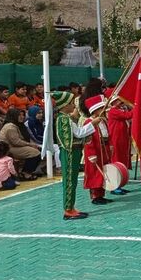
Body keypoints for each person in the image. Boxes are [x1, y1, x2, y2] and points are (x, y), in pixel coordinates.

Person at [53, 91, 95, 219]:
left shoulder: (66, 118)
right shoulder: (64, 119)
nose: (73, 105)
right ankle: (68, 209)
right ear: (65, 105)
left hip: (73, 152)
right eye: (71, 103)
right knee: (70, 181)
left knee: (73, 181)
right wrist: (93, 124)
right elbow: (78, 133)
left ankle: (71, 207)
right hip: (69, 153)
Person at [81, 95, 113, 205]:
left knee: (103, 172)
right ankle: (95, 196)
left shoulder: (103, 120)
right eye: (101, 108)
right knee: (95, 173)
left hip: (103, 149)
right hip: (95, 151)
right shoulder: (89, 122)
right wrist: (91, 154)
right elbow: (88, 140)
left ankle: (101, 194)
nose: (103, 110)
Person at [0, 108, 41, 180]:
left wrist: (31, 144)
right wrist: (30, 145)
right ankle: (25, 173)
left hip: (14, 147)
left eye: (23, 115)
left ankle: (27, 172)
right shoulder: (10, 126)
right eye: (19, 115)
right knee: (35, 153)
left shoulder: (18, 125)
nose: (22, 117)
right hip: (8, 149)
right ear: (14, 116)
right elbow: (16, 142)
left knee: (35, 150)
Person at [106, 92, 133, 195]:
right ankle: (115, 186)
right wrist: (134, 106)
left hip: (122, 138)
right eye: (119, 101)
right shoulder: (113, 111)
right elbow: (129, 115)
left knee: (121, 161)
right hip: (116, 139)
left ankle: (120, 184)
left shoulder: (119, 110)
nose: (121, 102)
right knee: (116, 161)